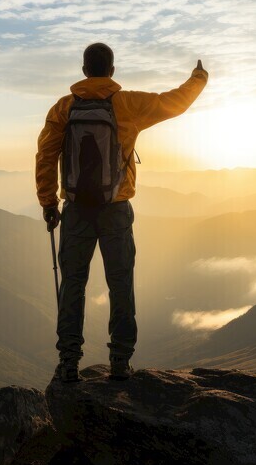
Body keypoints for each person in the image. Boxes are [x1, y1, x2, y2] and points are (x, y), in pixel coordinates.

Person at [35, 42, 208, 382]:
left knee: (73, 285)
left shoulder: (64, 108)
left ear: (84, 70)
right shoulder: (127, 104)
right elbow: (174, 102)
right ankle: (119, 362)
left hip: (75, 212)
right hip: (115, 210)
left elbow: (45, 156)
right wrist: (199, 78)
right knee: (120, 284)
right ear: (111, 71)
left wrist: (48, 203)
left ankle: (69, 363)